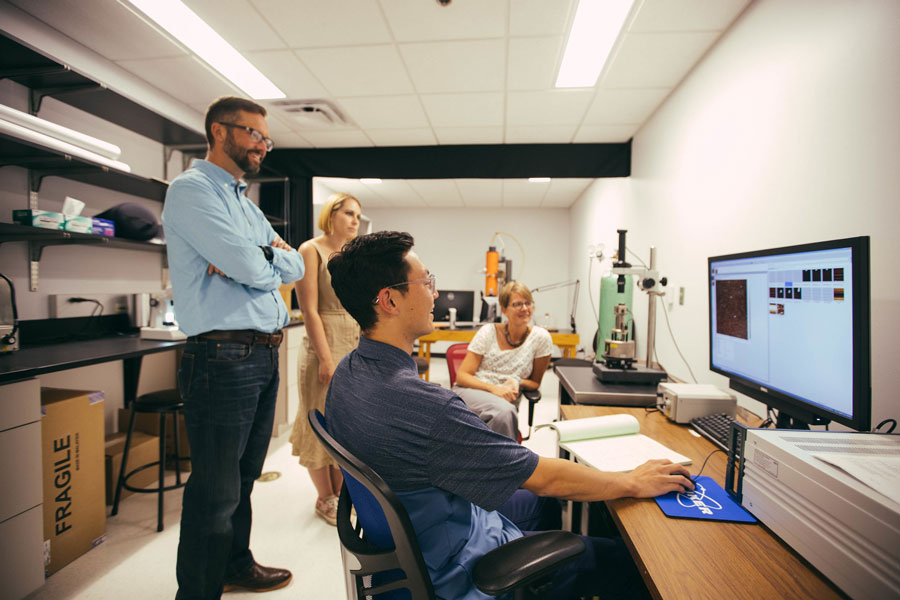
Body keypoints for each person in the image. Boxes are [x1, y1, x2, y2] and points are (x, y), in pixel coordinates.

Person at [324, 231, 693, 600]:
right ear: (389, 300)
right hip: (458, 565)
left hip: (413, 545)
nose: (434, 292)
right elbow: (544, 478)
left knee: (550, 506)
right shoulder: (429, 408)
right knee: (620, 560)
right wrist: (632, 481)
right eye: (426, 282)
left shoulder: (346, 375)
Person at [162, 96, 304, 599]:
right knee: (215, 490)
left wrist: (260, 258)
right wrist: (262, 262)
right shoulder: (191, 191)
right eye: (253, 135)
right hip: (222, 357)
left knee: (243, 479)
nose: (263, 146)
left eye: (266, 138)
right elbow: (255, 269)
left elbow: (296, 265)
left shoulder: (244, 202)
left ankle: (234, 564)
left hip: (262, 353)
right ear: (220, 132)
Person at [288, 193, 362, 525]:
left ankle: (343, 493)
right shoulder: (310, 250)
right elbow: (310, 310)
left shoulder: (352, 255)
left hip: (352, 341)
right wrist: (325, 358)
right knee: (318, 421)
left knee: (345, 423)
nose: (355, 220)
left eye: (358, 215)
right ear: (330, 215)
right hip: (324, 342)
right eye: (348, 213)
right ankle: (325, 497)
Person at [453, 281, 552, 439]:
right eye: (517, 304)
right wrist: (494, 389)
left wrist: (517, 381)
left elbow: (535, 383)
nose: (525, 308)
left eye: (528, 303)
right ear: (504, 309)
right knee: (504, 413)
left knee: (502, 414)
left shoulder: (541, 338)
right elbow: (462, 376)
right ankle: (508, 461)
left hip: (504, 402)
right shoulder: (488, 332)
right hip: (472, 394)